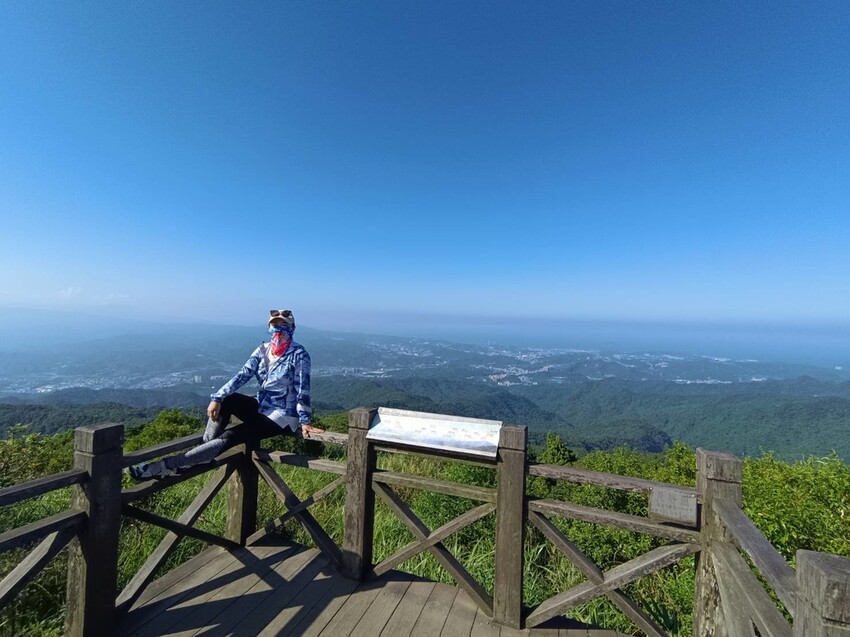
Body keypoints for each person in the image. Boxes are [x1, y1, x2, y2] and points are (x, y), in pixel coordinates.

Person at [128, 309, 323, 480]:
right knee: (228, 400)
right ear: (269, 327)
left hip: (282, 415)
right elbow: (242, 376)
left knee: (232, 435)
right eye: (275, 325)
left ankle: (164, 466)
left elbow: (302, 389)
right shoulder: (263, 350)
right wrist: (217, 398)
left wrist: (305, 420)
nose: (279, 330)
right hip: (261, 405)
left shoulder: (299, 354)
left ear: (292, 328)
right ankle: (205, 451)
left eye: (284, 325)